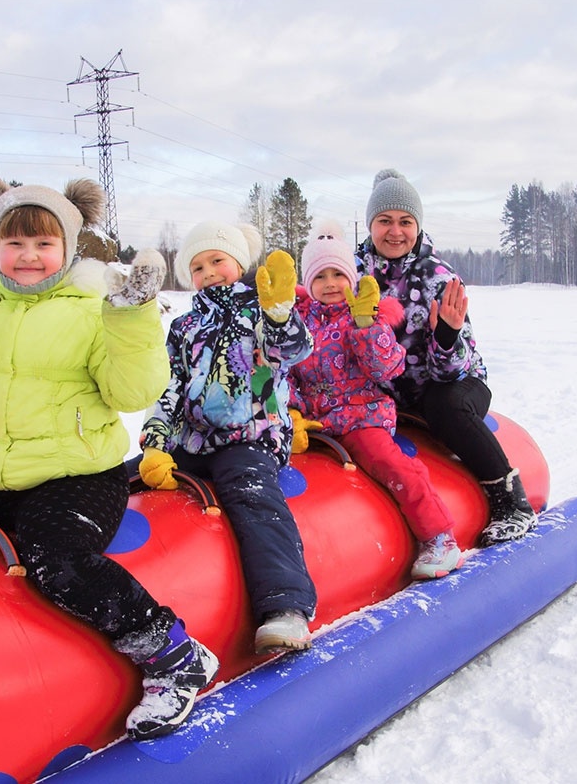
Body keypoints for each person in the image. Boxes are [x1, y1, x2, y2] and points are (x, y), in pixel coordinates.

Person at [0, 176, 216, 741]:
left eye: (44, 243)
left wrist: (131, 320)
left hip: (81, 473)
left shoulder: (93, 307)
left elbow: (130, 392)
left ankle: (171, 652)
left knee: (54, 557)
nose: (29, 256)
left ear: (68, 244)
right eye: (15, 243)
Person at [136, 221, 318, 655]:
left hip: (253, 437)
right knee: (129, 478)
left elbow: (294, 350)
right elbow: (170, 386)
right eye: (197, 266)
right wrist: (157, 441)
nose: (209, 271)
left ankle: (285, 606)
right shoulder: (183, 326)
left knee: (252, 494)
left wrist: (279, 315)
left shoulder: (261, 309)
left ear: (238, 261)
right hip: (196, 441)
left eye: (217, 260)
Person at [357, 169, 537, 545]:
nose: (395, 231)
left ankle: (510, 500)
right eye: (384, 221)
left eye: (405, 222)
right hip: (388, 394)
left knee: (443, 404)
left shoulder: (438, 276)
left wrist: (446, 334)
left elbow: (451, 371)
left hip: (453, 382)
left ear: (418, 227)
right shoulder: (354, 277)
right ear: (370, 225)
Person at [289, 219, 465, 579]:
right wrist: (291, 409)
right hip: (313, 422)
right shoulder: (298, 321)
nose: (330, 285)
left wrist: (367, 329)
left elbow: (388, 367)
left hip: (359, 415)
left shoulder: (365, 315)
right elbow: (287, 370)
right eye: (320, 277)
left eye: (338, 275)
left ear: (351, 280)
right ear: (308, 283)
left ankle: (439, 536)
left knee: (390, 463)